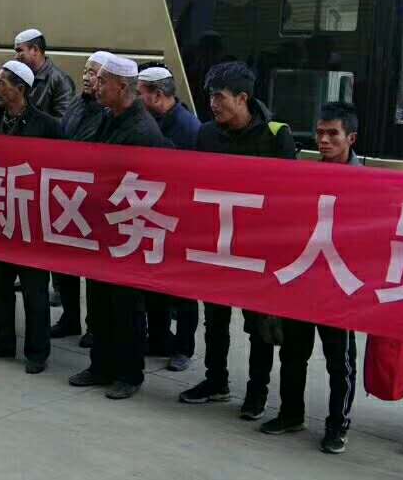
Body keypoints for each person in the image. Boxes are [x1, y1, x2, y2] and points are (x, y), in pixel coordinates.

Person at [179, 62, 298, 416]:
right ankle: (215, 381)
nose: (213, 104)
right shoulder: (206, 134)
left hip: (257, 249)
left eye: (220, 97)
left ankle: (257, 392)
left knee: (258, 326)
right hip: (217, 244)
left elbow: (289, 196)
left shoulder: (276, 136)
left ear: (243, 98)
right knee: (214, 319)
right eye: (210, 97)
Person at [258, 101, 362, 453]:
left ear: (351, 138)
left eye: (333, 134)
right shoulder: (305, 176)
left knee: (339, 362)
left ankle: (338, 425)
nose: (324, 140)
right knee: (293, 353)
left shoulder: (369, 183)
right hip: (302, 279)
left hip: (338, 284)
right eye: (320, 133)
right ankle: (290, 414)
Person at [68, 55, 171, 400]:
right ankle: (101, 365)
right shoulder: (107, 117)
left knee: (126, 306)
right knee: (99, 301)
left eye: (102, 81)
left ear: (121, 86)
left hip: (129, 226)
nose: (95, 86)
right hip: (103, 223)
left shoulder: (141, 130)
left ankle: (129, 373)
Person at [0, 61, 62, 373]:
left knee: (35, 290)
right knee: (0, 284)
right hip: (1, 212)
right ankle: (2, 340)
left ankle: (37, 352)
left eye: (2, 83)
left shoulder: (46, 126)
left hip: (32, 218)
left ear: (20, 89)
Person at [137, 65, 202, 371]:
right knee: (155, 284)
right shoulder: (153, 120)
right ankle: (159, 337)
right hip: (155, 212)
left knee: (183, 290)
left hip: (182, 218)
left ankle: (183, 348)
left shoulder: (188, 128)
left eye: (140, 93)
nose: (137, 98)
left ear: (158, 95)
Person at [52, 52, 111, 341]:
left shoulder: (108, 112)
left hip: (93, 198)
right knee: (65, 264)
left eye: (94, 73)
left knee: (93, 268)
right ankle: (70, 317)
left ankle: (95, 325)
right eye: (86, 71)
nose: (87, 77)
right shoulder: (77, 103)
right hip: (68, 195)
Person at [13, 27, 74, 121]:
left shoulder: (60, 80)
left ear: (35, 49)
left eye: (19, 51)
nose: (16, 57)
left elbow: (63, 121)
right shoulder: (18, 78)